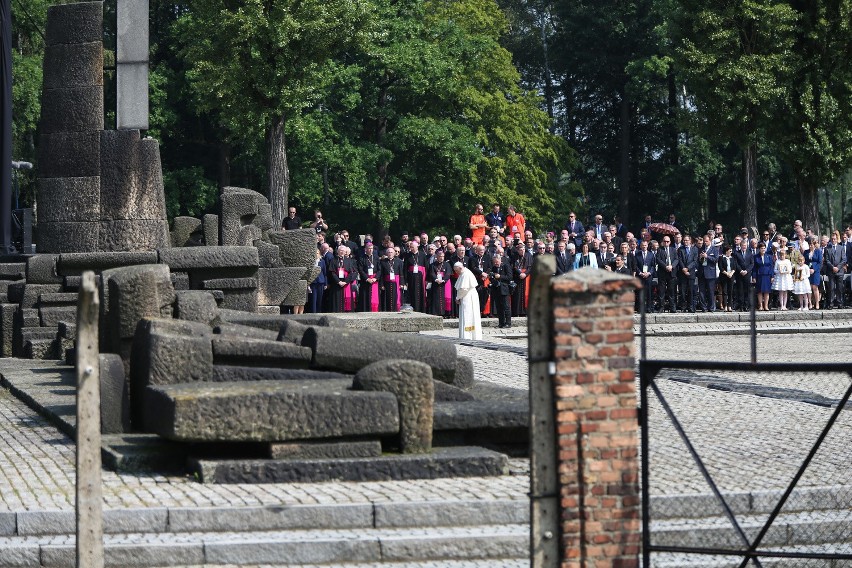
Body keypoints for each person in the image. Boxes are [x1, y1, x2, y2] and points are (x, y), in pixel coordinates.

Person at [454, 262, 482, 339]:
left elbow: (463, 289)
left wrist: (457, 298)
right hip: (469, 296)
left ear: (460, 268)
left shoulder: (466, 274)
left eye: (457, 270)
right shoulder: (463, 273)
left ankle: (467, 336)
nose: (456, 272)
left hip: (468, 297)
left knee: (468, 315)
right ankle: (472, 335)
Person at [326, 245, 357, 312]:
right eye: (341, 250)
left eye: (343, 251)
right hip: (336, 283)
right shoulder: (333, 260)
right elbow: (332, 273)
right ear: (338, 251)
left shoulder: (349, 260)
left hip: (346, 283)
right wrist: (338, 281)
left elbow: (351, 272)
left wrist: (346, 282)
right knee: (337, 300)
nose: (342, 252)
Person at [488, 254, 512, 329]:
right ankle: (501, 323)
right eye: (494, 262)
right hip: (496, 289)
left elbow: (510, 277)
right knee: (499, 307)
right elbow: (491, 278)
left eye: (497, 262)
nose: (496, 263)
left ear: (500, 260)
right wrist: (492, 278)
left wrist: (500, 276)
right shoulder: (493, 268)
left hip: (504, 289)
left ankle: (508, 323)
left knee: (506, 306)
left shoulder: (506, 266)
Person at [655, 236, 679, 313]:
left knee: (671, 291)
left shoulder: (673, 249)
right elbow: (658, 260)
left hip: (672, 273)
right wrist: (666, 267)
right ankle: (661, 307)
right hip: (662, 272)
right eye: (665, 241)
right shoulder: (660, 250)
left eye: (667, 241)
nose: (666, 243)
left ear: (670, 242)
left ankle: (672, 307)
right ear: (662, 242)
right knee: (661, 291)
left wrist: (672, 266)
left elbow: (676, 259)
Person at [403, 241, 428, 311]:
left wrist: (427, 279)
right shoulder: (408, 256)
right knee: (412, 293)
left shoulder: (423, 255)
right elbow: (405, 269)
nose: (411, 249)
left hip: (421, 279)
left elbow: (426, 267)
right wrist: (405, 281)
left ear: (417, 247)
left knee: (421, 294)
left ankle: (422, 309)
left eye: (413, 247)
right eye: (410, 247)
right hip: (411, 279)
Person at [824, 232, 846, 309]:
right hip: (831, 271)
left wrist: (838, 267)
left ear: (837, 240)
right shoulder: (827, 249)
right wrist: (833, 267)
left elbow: (844, 259)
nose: (833, 240)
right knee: (831, 288)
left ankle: (840, 303)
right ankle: (831, 303)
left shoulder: (841, 248)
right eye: (832, 239)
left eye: (835, 239)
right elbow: (826, 260)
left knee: (839, 288)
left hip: (839, 272)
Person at [426, 250, 452, 316]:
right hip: (436, 284)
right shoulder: (432, 265)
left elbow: (448, 273)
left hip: (444, 284)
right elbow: (431, 273)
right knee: (436, 298)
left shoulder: (447, 264)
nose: (442, 258)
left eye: (443, 256)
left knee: (445, 298)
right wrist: (436, 279)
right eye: (440, 256)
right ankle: (436, 312)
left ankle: (445, 313)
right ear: (437, 257)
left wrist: (443, 280)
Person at [511, 242, 533, 316]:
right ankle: (517, 311)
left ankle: (525, 312)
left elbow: (530, 267)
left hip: (526, 277)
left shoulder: (529, 255)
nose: (522, 251)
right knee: (518, 295)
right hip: (518, 277)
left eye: (523, 249)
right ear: (518, 250)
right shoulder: (515, 256)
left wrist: (525, 274)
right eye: (521, 250)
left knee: (526, 294)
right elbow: (514, 266)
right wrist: (520, 273)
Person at [357, 242, 380, 312]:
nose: (370, 250)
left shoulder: (376, 257)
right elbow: (360, 270)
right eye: (369, 248)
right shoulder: (361, 258)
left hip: (374, 280)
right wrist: (367, 278)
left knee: (374, 298)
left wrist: (375, 278)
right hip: (365, 281)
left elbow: (379, 269)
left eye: (371, 248)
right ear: (365, 249)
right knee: (365, 297)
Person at [698, 234, 719, 312]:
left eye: (706, 241)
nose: (705, 243)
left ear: (710, 241)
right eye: (704, 241)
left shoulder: (714, 249)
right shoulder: (701, 249)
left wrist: (707, 256)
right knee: (701, 291)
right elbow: (698, 261)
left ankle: (711, 307)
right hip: (702, 272)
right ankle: (703, 307)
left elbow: (716, 259)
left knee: (711, 291)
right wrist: (700, 258)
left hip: (710, 272)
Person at [379, 247, 404, 312]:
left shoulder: (399, 261)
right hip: (386, 283)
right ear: (386, 253)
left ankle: (395, 310)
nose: (390, 253)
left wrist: (401, 283)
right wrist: (381, 284)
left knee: (396, 298)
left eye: (391, 252)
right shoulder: (383, 262)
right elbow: (381, 274)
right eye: (389, 252)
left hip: (396, 283)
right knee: (386, 298)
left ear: (394, 253)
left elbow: (401, 273)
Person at [677, 235, 698, 312]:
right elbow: (679, 259)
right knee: (682, 292)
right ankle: (683, 306)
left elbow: (695, 261)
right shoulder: (680, 249)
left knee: (691, 291)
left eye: (687, 240)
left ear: (690, 241)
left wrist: (688, 268)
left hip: (691, 273)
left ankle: (691, 306)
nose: (685, 242)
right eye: (684, 240)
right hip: (682, 273)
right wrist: (684, 269)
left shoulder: (695, 249)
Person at [733, 239, 754, 311]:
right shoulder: (736, 253)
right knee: (740, 291)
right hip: (739, 274)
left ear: (747, 246)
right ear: (740, 246)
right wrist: (741, 270)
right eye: (743, 245)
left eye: (745, 246)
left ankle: (746, 306)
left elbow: (752, 264)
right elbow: (736, 263)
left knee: (747, 291)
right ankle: (741, 306)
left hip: (747, 274)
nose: (744, 247)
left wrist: (747, 271)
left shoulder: (750, 253)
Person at [634, 240, 655, 311]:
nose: (644, 247)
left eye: (645, 245)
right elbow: (635, 266)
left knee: (649, 293)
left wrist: (649, 273)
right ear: (640, 246)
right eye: (643, 245)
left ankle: (649, 308)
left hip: (648, 276)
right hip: (640, 276)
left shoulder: (651, 254)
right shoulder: (637, 254)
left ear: (647, 246)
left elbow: (653, 266)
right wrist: (640, 273)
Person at [753, 242, 774, 311]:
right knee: (759, 291)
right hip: (759, 275)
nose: (763, 249)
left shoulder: (769, 256)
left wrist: (772, 276)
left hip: (767, 275)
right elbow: (754, 268)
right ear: (759, 249)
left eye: (764, 248)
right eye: (762, 248)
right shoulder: (756, 257)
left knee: (766, 291)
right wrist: (754, 277)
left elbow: (771, 267)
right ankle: (760, 306)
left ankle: (766, 305)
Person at [307, 248, 327, 313]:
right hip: (313, 282)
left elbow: (325, 273)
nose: (316, 254)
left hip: (321, 282)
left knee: (319, 299)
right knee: (313, 299)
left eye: (317, 253)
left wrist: (325, 284)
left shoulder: (322, 261)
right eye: (314, 253)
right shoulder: (310, 262)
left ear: (319, 254)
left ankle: (318, 312)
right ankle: (313, 313)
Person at [806, 235, 823, 310]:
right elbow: (804, 261)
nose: (810, 246)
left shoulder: (818, 251)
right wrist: (807, 269)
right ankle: (810, 303)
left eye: (812, 244)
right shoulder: (806, 252)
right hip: (808, 271)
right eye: (809, 244)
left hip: (815, 271)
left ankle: (817, 303)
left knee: (815, 287)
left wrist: (814, 269)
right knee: (809, 287)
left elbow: (820, 262)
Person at [718, 245, 735, 312]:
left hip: (731, 276)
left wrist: (731, 273)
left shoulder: (732, 258)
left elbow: (734, 267)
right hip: (724, 276)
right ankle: (725, 305)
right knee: (724, 291)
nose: (731, 252)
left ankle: (730, 306)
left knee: (730, 291)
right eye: (730, 251)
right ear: (726, 251)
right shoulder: (722, 258)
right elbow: (720, 267)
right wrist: (727, 273)